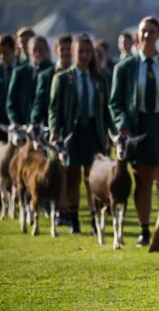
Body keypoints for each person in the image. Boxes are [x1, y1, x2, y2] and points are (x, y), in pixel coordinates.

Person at [109, 16, 159, 247]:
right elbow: (115, 102)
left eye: (151, 31)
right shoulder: (125, 67)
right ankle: (144, 230)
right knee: (143, 181)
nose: (147, 35)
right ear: (137, 35)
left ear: (158, 35)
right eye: (143, 31)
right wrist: (124, 127)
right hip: (137, 128)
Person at [49, 34, 114, 235]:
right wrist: (55, 132)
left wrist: (112, 133)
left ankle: (95, 220)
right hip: (72, 133)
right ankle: (74, 220)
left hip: (94, 132)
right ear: (73, 52)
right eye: (81, 51)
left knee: (93, 178)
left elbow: (106, 109)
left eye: (88, 52)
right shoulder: (62, 78)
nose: (84, 55)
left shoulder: (100, 77)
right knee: (72, 177)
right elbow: (54, 109)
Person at [7, 34, 53, 127]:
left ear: (46, 50)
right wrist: (15, 121)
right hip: (23, 125)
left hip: (46, 125)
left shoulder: (52, 71)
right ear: (29, 51)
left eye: (41, 50)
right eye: (35, 50)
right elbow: (11, 101)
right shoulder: (20, 72)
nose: (38, 53)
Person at [31, 33, 73, 127]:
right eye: (62, 49)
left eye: (69, 49)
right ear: (56, 51)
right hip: (51, 127)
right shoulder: (46, 75)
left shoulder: (79, 74)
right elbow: (39, 103)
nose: (66, 52)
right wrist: (34, 123)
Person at [0, 34, 17, 142]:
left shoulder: (22, 70)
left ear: (13, 50)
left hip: (17, 124)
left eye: (5, 53)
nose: (2, 57)